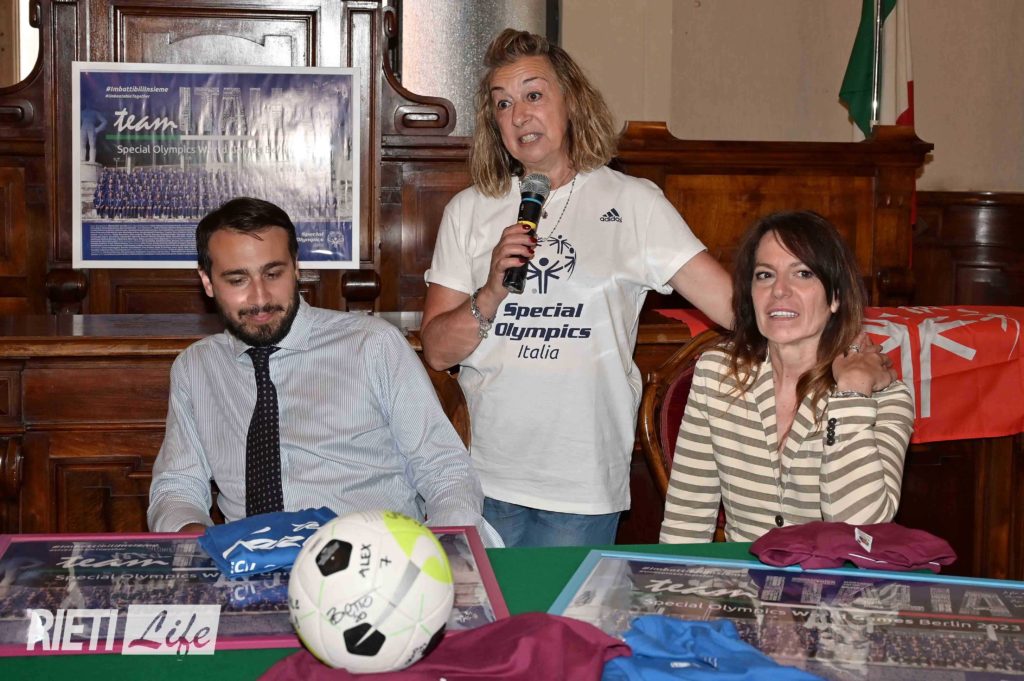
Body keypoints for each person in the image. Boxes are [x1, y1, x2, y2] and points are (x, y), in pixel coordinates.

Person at [420, 29, 733, 548]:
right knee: (488, 606)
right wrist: (490, 293)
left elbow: (733, 306)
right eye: (503, 104)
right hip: (484, 481)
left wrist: (830, 335)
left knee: (565, 607)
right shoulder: (469, 211)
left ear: (571, 101)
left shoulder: (634, 203)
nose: (519, 115)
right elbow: (436, 351)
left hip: (581, 487)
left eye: (534, 95)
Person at [148, 197, 486, 535]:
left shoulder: (371, 344)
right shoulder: (196, 367)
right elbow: (177, 486)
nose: (260, 298)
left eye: (273, 274)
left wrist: (438, 548)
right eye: (237, 280)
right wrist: (193, 538)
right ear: (208, 282)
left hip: (371, 552)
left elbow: (445, 471)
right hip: (251, 557)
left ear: (296, 267)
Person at [660, 211, 915, 544]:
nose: (779, 290)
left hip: (834, 576)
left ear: (835, 296)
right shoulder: (716, 374)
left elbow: (861, 530)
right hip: (743, 574)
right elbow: (685, 522)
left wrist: (852, 393)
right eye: (765, 275)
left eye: (803, 273)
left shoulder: (884, 397)